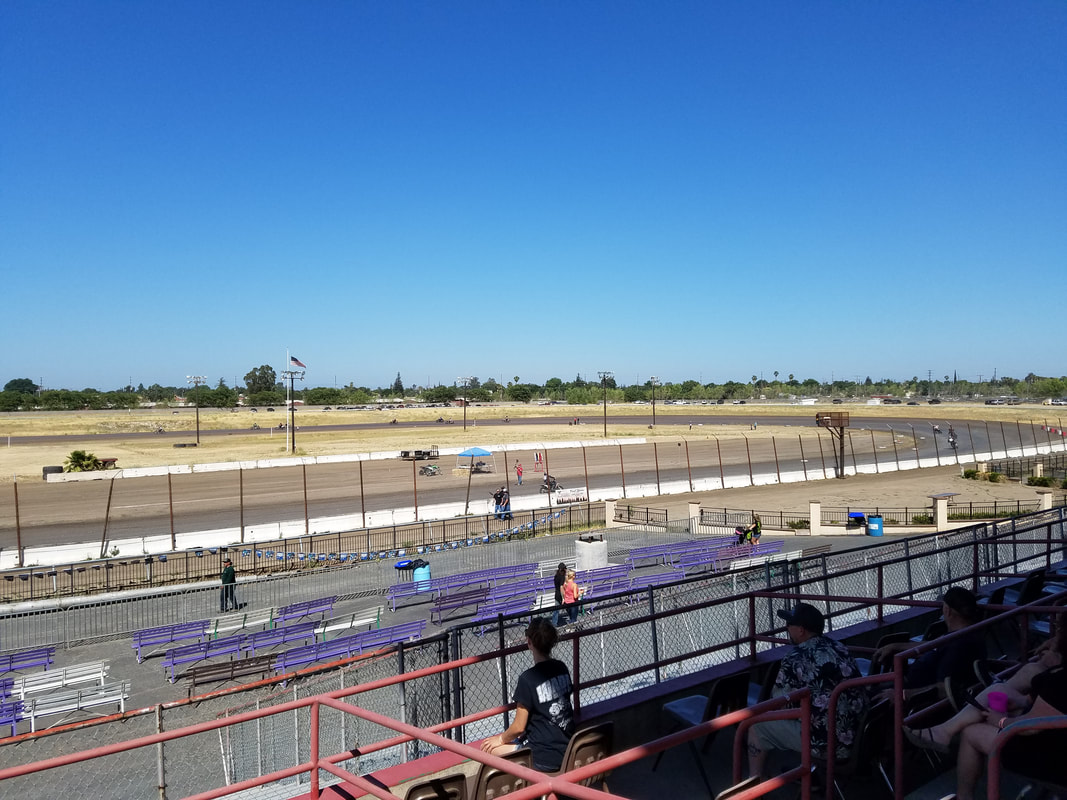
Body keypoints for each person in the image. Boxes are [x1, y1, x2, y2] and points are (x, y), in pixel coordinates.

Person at [907, 664, 1066, 800]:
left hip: (1055, 759)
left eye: (1060, 629)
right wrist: (1020, 703)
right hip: (1054, 734)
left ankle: (964, 797)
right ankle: (944, 732)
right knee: (998, 690)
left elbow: (1031, 728)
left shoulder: (1061, 680)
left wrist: (1000, 721)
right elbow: (1043, 704)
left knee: (972, 733)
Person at [747, 603, 868, 781]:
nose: (787, 627)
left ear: (801, 630)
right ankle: (810, 774)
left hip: (828, 745)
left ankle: (754, 783)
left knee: (756, 726)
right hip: (860, 736)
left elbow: (780, 706)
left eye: (790, 624)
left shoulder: (794, 658)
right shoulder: (839, 647)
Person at [481, 618, 575, 772]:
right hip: (568, 749)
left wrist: (500, 739)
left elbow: (518, 727)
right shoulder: (561, 667)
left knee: (488, 749)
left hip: (541, 757)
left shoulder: (528, 679)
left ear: (529, 642)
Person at [875, 586, 985, 699]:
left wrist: (903, 695)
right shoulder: (968, 634)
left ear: (947, 611)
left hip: (911, 695)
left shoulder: (957, 647)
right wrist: (897, 646)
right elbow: (934, 646)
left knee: (866, 694)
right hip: (908, 684)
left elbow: (945, 689)